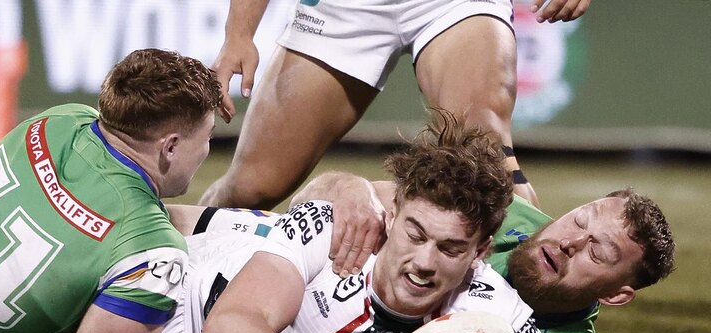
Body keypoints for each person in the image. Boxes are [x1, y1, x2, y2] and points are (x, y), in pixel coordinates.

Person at [138, 111, 608, 333]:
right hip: (170, 311)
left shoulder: (486, 302)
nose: (423, 263)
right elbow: (227, 332)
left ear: (481, 251)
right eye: (416, 234)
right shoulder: (332, 234)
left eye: (449, 248)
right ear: (393, 212)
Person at [0, 48, 222, 333]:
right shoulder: (150, 249)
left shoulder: (61, 119)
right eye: (207, 136)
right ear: (170, 145)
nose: (206, 149)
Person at [198, 0, 592, 210]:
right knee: (253, 188)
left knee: (485, 157)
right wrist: (238, 35)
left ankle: (536, 322)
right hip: (343, 9)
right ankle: (177, 262)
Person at [290, 166, 676, 333]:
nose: (569, 242)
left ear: (615, 295)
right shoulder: (505, 212)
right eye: (579, 221)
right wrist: (348, 189)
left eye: (598, 251)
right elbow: (311, 194)